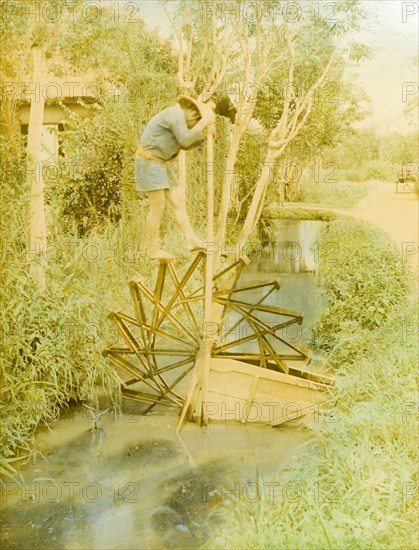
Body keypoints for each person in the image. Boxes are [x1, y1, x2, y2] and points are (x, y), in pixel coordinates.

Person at [135, 96, 216, 259]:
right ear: (193, 114)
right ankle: (152, 250)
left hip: (162, 163)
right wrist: (204, 123)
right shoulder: (175, 114)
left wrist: (205, 135)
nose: (195, 125)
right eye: (197, 121)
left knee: (178, 202)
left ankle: (191, 240)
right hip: (149, 161)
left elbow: (185, 144)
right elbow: (185, 138)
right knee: (157, 206)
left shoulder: (182, 119)